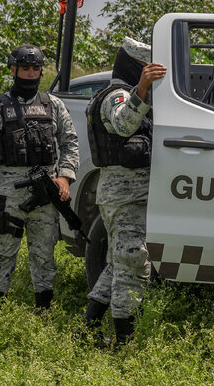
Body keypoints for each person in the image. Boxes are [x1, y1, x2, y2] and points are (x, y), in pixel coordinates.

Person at [0, 44, 79, 310]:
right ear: (13, 70)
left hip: (45, 194)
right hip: (7, 194)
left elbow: (70, 141)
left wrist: (64, 177)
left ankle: (44, 310)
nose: (30, 74)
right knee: (3, 253)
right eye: (25, 68)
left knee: (44, 255)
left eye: (35, 68)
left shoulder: (54, 105)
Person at [82, 37, 166, 346]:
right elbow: (122, 125)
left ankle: (88, 328)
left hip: (129, 194)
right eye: (147, 68)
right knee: (133, 263)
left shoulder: (128, 93)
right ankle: (123, 343)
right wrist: (141, 88)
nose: (152, 73)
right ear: (135, 67)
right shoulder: (118, 96)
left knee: (119, 263)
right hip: (125, 194)